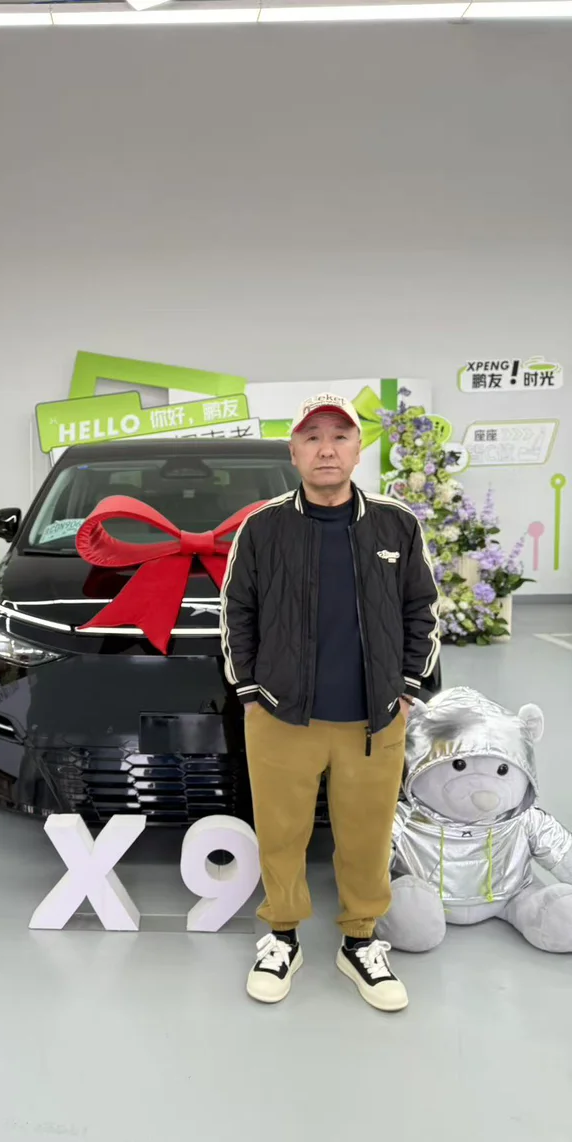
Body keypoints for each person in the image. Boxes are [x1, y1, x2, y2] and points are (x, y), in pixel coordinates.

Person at [221, 392, 440, 1012]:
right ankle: (281, 934)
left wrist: (406, 689)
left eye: (339, 436)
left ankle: (360, 941)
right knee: (281, 833)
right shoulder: (262, 527)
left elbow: (422, 609)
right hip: (281, 714)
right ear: (293, 452)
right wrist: (251, 693)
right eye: (312, 437)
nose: (326, 449)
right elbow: (237, 611)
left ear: (358, 450)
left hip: (374, 718)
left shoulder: (396, 525)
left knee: (367, 835)